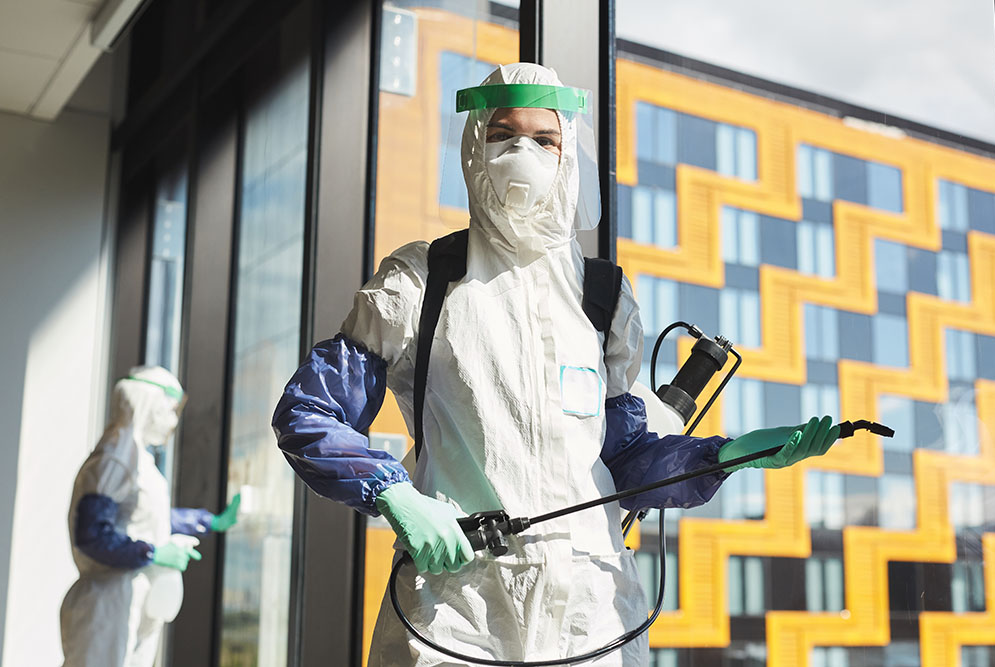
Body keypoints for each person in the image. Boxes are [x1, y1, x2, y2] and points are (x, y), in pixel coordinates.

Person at [272, 63, 839, 666]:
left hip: (590, 607)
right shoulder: (423, 278)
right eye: (503, 134)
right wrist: (397, 496)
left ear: (569, 154)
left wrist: (724, 455)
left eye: (545, 139)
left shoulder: (601, 297)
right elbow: (310, 413)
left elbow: (621, 459)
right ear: (473, 145)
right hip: (458, 601)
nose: (524, 151)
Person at [60, 366, 241, 667]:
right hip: (109, 601)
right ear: (149, 404)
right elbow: (92, 534)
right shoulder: (116, 459)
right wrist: (155, 553)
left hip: (131, 598)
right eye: (170, 410)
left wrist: (209, 521)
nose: (173, 422)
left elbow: (145, 516)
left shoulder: (135, 459)